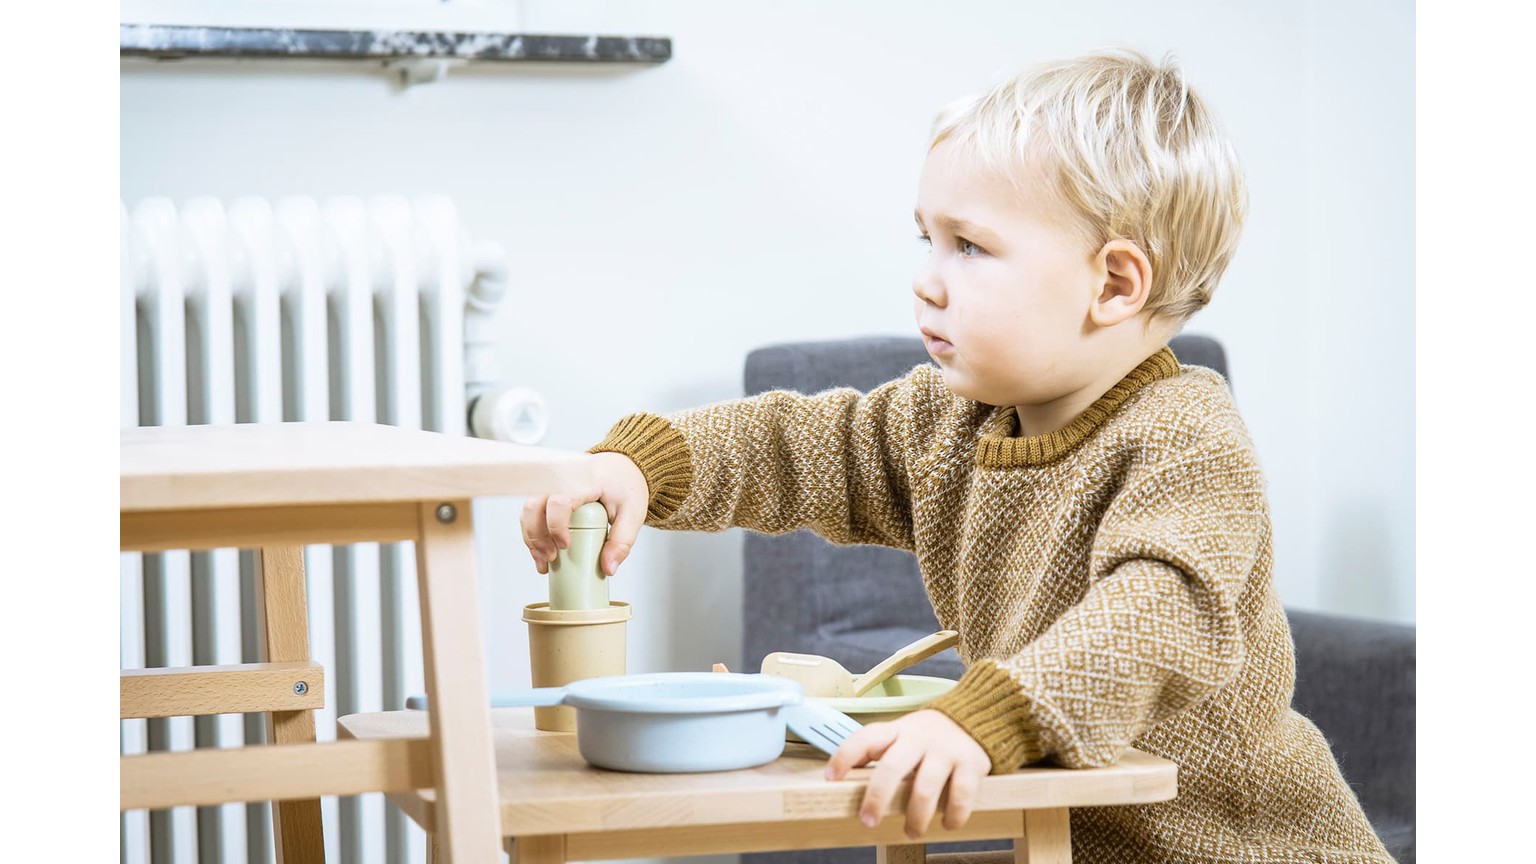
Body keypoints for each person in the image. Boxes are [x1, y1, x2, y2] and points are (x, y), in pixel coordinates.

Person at [520, 48, 1393, 863]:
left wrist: (988, 718)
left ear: (1116, 283)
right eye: (926, 239)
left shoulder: (1187, 437)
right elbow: (799, 444)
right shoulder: (952, 423)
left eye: (970, 246)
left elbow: (1154, 616)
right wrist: (643, 465)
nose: (928, 278)